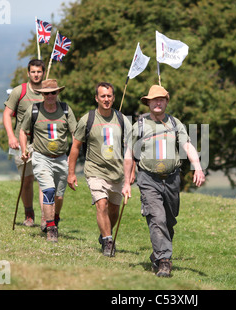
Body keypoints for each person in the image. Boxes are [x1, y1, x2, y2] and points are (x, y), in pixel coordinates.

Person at [121, 85, 205, 277]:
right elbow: (128, 155)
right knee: (156, 218)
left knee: (168, 221)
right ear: (148, 102)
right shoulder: (139, 126)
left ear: (166, 102)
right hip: (148, 178)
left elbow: (187, 145)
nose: (158, 102)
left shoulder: (175, 123)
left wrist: (197, 166)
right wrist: (127, 182)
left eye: (161, 99)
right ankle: (164, 261)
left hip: (173, 178)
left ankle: (157, 253)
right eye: (154, 99)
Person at [67, 82, 133, 256]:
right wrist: (71, 173)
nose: (106, 99)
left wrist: (131, 173)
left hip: (117, 173)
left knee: (113, 210)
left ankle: (105, 233)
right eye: (102, 96)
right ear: (96, 98)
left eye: (109, 96)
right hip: (95, 170)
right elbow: (75, 146)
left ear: (113, 98)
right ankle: (107, 241)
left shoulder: (122, 120)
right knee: (101, 204)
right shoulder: (87, 119)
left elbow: (130, 148)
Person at [19, 79, 77, 242]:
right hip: (41, 157)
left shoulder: (65, 109)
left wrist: (73, 155)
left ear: (58, 92)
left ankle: (55, 218)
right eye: (46, 93)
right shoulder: (34, 110)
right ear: (42, 94)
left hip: (61, 158)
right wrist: (24, 150)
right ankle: (51, 228)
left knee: (59, 196)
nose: (50, 96)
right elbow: (23, 131)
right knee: (49, 190)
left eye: (53, 92)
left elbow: (76, 134)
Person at [3, 59, 46, 229]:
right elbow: (7, 114)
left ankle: (46, 217)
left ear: (43, 73)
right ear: (28, 73)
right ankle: (29, 213)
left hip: (43, 143)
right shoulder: (18, 91)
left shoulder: (48, 92)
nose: (36, 74)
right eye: (33, 72)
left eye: (39, 72)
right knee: (26, 181)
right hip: (21, 141)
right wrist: (10, 137)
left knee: (44, 180)